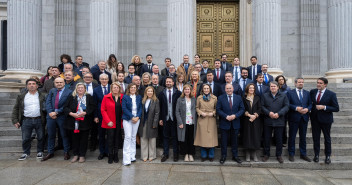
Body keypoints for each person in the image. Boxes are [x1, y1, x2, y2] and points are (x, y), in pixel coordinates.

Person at [12, 79, 46, 160]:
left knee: (41, 136)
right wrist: (15, 120)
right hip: (26, 120)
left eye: (33, 84)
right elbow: (16, 108)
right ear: (27, 86)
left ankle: (40, 151)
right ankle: (26, 153)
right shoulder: (22, 96)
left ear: (37, 86)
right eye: (29, 84)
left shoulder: (43, 95)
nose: (31, 85)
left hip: (39, 119)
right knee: (26, 138)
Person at [310, 77, 339, 164]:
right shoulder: (313, 92)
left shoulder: (331, 94)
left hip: (326, 120)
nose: (318, 84)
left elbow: (336, 108)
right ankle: (316, 155)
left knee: (327, 138)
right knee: (316, 138)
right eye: (317, 82)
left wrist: (324, 107)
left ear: (325, 84)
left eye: (320, 83)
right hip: (315, 119)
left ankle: (328, 156)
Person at [64, 83, 96, 163]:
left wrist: (85, 113)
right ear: (76, 89)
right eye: (79, 88)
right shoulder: (72, 97)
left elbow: (92, 107)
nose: (80, 89)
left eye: (82, 88)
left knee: (84, 139)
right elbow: (65, 107)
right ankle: (75, 155)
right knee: (74, 139)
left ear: (85, 89)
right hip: (73, 121)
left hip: (85, 122)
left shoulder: (89, 97)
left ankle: (82, 155)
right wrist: (72, 114)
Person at [43, 77, 72, 161]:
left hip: (62, 116)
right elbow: (47, 102)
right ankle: (50, 152)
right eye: (57, 82)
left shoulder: (69, 92)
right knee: (51, 135)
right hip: (50, 116)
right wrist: (51, 112)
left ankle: (66, 152)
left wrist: (57, 112)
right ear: (54, 83)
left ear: (64, 83)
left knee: (64, 135)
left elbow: (67, 105)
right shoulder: (52, 91)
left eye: (60, 82)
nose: (59, 84)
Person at [261, 81, 289, 163]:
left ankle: (279, 155)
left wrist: (279, 113)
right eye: (271, 86)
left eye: (274, 86)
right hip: (268, 119)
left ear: (278, 87)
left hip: (279, 120)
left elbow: (286, 106)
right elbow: (262, 106)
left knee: (279, 139)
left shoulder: (283, 95)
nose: (272, 88)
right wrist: (268, 113)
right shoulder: (265, 95)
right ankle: (266, 154)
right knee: (266, 138)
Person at [216, 83, 245, 164]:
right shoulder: (221, 98)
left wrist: (235, 116)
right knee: (224, 141)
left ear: (233, 89)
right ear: (225, 89)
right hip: (225, 122)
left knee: (235, 141)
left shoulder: (238, 98)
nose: (229, 90)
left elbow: (242, 109)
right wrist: (226, 116)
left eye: (230, 88)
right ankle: (223, 156)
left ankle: (235, 156)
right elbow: (218, 109)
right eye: (227, 88)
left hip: (235, 123)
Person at [287, 78, 312, 162]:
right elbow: (287, 104)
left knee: (303, 137)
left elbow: (310, 104)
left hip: (304, 118)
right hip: (294, 118)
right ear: (295, 83)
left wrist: (308, 109)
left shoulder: (307, 93)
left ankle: (303, 154)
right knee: (292, 137)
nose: (301, 83)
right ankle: (291, 154)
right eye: (299, 82)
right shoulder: (290, 93)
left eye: (302, 82)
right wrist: (296, 108)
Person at [159, 77, 182, 162]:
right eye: (167, 82)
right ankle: (165, 154)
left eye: (170, 82)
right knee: (165, 136)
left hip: (175, 119)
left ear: (173, 83)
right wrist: (160, 118)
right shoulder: (161, 93)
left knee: (175, 137)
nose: (168, 83)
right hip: (165, 118)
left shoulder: (178, 93)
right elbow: (160, 107)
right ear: (165, 83)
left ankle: (176, 154)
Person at [101, 82, 124, 164]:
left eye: (117, 87)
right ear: (111, 88)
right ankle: (110, 155)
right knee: (110, 139)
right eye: (114, 87)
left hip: (119, 121)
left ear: (119, 89)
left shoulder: (122, 97)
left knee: (117, 139)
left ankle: (116, 155)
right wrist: (108, 121)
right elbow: (103, 110)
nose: (116, 89)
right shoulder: (106, 97)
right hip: (110, 122)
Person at [194, 84, 218, 162]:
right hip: (202, 119)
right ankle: (203, 155)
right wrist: (200, 113)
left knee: (211, 138)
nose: (206, 90)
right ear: (202, 89)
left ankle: (211, 155)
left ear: (210, 89)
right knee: (202, 137)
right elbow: (197, 107)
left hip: (211, 119)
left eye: (208, 88)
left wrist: (214, 113)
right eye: (205, 88)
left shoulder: (214, 98)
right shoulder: (199, 98)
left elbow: (217, 108)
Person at [121, 83, 142, 166]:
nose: (133, 89)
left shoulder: (139, 97)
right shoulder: (125, 97)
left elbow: (140, 108)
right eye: (131, 88)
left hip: (136, 120)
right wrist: (132, 117)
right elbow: (124, 108)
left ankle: (132, 156)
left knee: (133, 137)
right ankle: (126, 159)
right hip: (127, 119)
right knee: (128, 137)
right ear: (128, 89)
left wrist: (138, 117)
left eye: (134, 87)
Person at [138, 86, 160, 162]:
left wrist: (155, 123)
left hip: (152, 122)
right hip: (143, 122)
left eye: (151, 91)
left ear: (153, 92)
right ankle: (144, 156)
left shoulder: (156, 100)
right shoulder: (143, 100)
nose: (149, 93)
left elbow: (157, 113)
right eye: (148, 91)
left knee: (152, 139)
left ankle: (152, 156)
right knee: (143, 138)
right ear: (146, 92)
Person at [175, 84, 197, 162]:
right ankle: (185, 154)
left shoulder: (194, 99)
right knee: (184, 139)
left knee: (191, 138)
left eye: (188, 89)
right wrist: (180, 122)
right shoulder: (180, 99)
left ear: (190, 90)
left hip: (192, 122)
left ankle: (191, 154)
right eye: (185, 89)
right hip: (183, 122)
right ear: (183, 91)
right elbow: (177, 111)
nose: (187, 91)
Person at [241, 83, 262, 162]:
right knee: (247, 136)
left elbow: (260, 108)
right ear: (247, 89)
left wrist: (255, 116)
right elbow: (242, 108)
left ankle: (254, 154)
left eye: (253, 88)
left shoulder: (257, 98)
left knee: (255, 136)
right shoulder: (244, 97)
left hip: (256, 120)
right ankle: (247, 154)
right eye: (250, 88)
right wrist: (249, 115)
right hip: (246, 120)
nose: (251, 89)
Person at [93, 74, 111, 160]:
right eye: (102, 79)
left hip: (111, 116)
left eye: (105, 79)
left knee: (109, 135)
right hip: (100, 116)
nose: (104, 81)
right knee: (101, 134)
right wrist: (95, 116)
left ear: (108, 80)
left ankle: (108, 151)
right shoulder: (96, 90)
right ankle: (102, 152)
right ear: (99, 80)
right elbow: (95, 104)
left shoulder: (112, 88)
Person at [275, 75, 290, 146]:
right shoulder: (275, 88)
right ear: (277, 81)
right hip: (275, 109)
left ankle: (283, 141)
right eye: (279, 79)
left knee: (283, 126)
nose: (281, 81)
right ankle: (275, 140)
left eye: (282, 79)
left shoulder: (288, 89)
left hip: (284, 110)